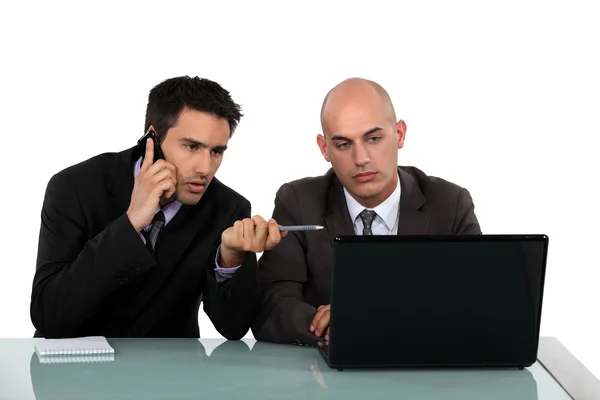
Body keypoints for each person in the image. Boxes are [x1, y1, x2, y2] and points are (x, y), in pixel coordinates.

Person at [31, 76, 284, 339]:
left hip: (169, 373)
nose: (205, 169)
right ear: (152, 138)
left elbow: (233, 328)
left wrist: (230, 258)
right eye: (192, 146)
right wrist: (131, 224)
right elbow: (48, 315)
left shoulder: (228, 208)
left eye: (216, 152)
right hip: (74, 370)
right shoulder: (74, 187)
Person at [251, 77, 481, 346]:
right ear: (325, 149)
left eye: (373, 138)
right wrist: (330, 327)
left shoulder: (450, 203)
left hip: (423, 374)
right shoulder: (298, 202)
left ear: (400, 134)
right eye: (344, 145)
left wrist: (365, 318)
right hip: (330, 378)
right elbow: (272, 305)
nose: (361, 159)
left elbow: (474, 303)